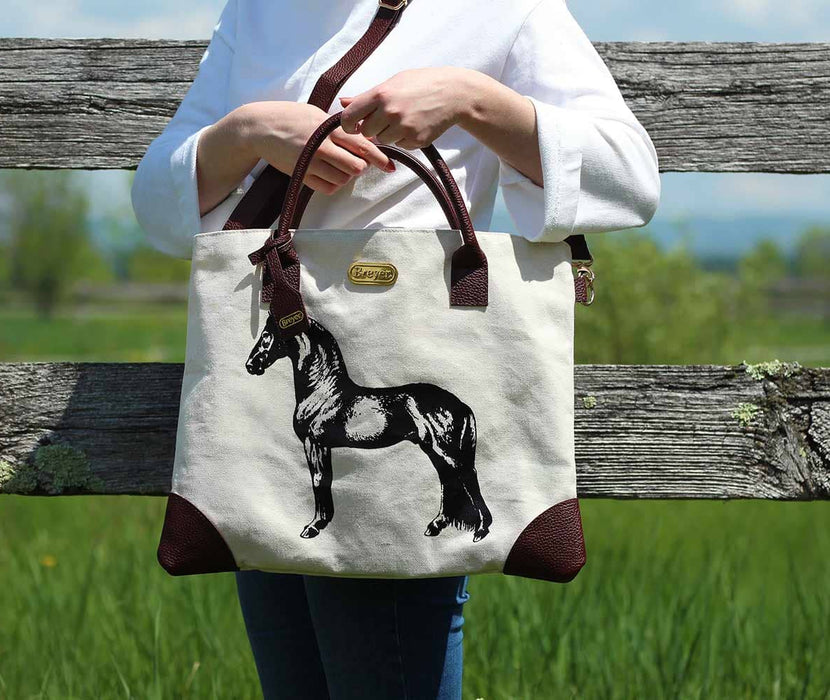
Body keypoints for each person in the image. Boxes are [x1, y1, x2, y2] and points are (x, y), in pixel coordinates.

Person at [131, 0, 660, 697]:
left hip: (412, 337)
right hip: (260, 410)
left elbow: (628, 178)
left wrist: (472, 100)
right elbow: (156, 208)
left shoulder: (505, 8)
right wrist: (251, 131)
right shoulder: (260, 8)